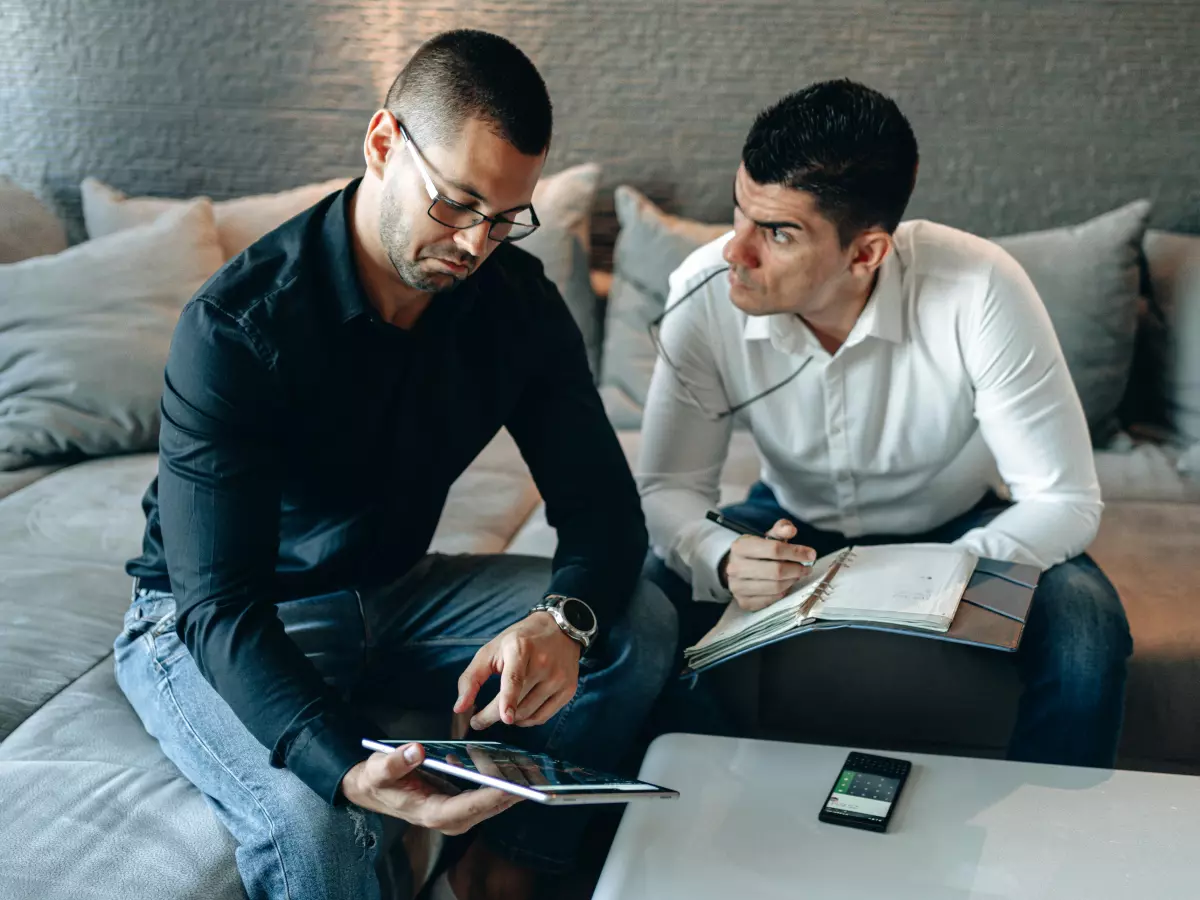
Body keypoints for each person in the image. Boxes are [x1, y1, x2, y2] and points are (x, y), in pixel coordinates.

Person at [115, 29, 676, 900]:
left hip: (392, 590)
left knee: (634, 623)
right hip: (220, 615)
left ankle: (500, 870)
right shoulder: (238, 329)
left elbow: (603, 510)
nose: (477, 243)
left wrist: (560, 623)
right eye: (456, 204)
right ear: (382, 144)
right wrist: (342, 768)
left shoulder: (514, 305)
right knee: (317, 821)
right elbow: (218, 605)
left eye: (505, 218)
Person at [638, 79, 1132, 768]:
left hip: (960, 532)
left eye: (777, 233)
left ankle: (1044, 856)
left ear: (865, 253)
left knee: (1087, 626)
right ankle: (729, 807)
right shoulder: (705, 292)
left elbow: (1065, 499)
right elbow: (665, 488)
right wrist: (720, 556)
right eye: (739, 213)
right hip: (789, 524)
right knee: (637, 607)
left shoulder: (981, 287)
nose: (735, 253)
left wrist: (946, 571)